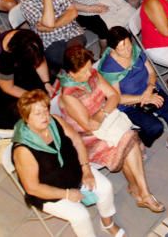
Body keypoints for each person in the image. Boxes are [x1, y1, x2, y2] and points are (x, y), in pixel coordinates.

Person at [57, 44, 164, 214]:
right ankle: (143, 192)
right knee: (129, 140)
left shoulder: (92, 73)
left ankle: (139, 190)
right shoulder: (68, 95)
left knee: (127, 141)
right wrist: (105, 111)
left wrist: (103, 112)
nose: (88, 74)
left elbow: (114, 96)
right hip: (88, 138)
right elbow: (89, 125)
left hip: (107, 124)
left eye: (88, 68)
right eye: (83, 72)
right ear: (70, 73)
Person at [11, 89, 126, 237]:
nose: (45, 116)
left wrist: (86, 170)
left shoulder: (54, 120)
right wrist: (66, 194)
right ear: (26, 118)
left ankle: (107, 223)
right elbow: (32, 188)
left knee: (105, 187)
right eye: (38, 114)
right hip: (50, 191)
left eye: (45, 110)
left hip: (75, 173)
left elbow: (77, 141)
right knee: (80, 215)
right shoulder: (23, 150)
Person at [97, 26, 168, 156]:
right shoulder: (109, 68)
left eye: (128, 45)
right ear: (112, 48)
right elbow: (117, 98)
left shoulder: (135, 50)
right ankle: (139, 140)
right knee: (155, 128)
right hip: (129, 104)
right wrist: (143, 98)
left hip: (148, 90)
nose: (127, 51)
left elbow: (151, 72)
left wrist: (149, 88)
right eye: (121, 48)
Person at [20, 0, 106, 68]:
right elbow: (48, 23)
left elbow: (73, 12)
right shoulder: (26, 1)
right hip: (49, 41)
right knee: (71, 61)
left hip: (71, 31)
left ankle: (87, 70)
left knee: (77, 57)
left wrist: (53, 26)